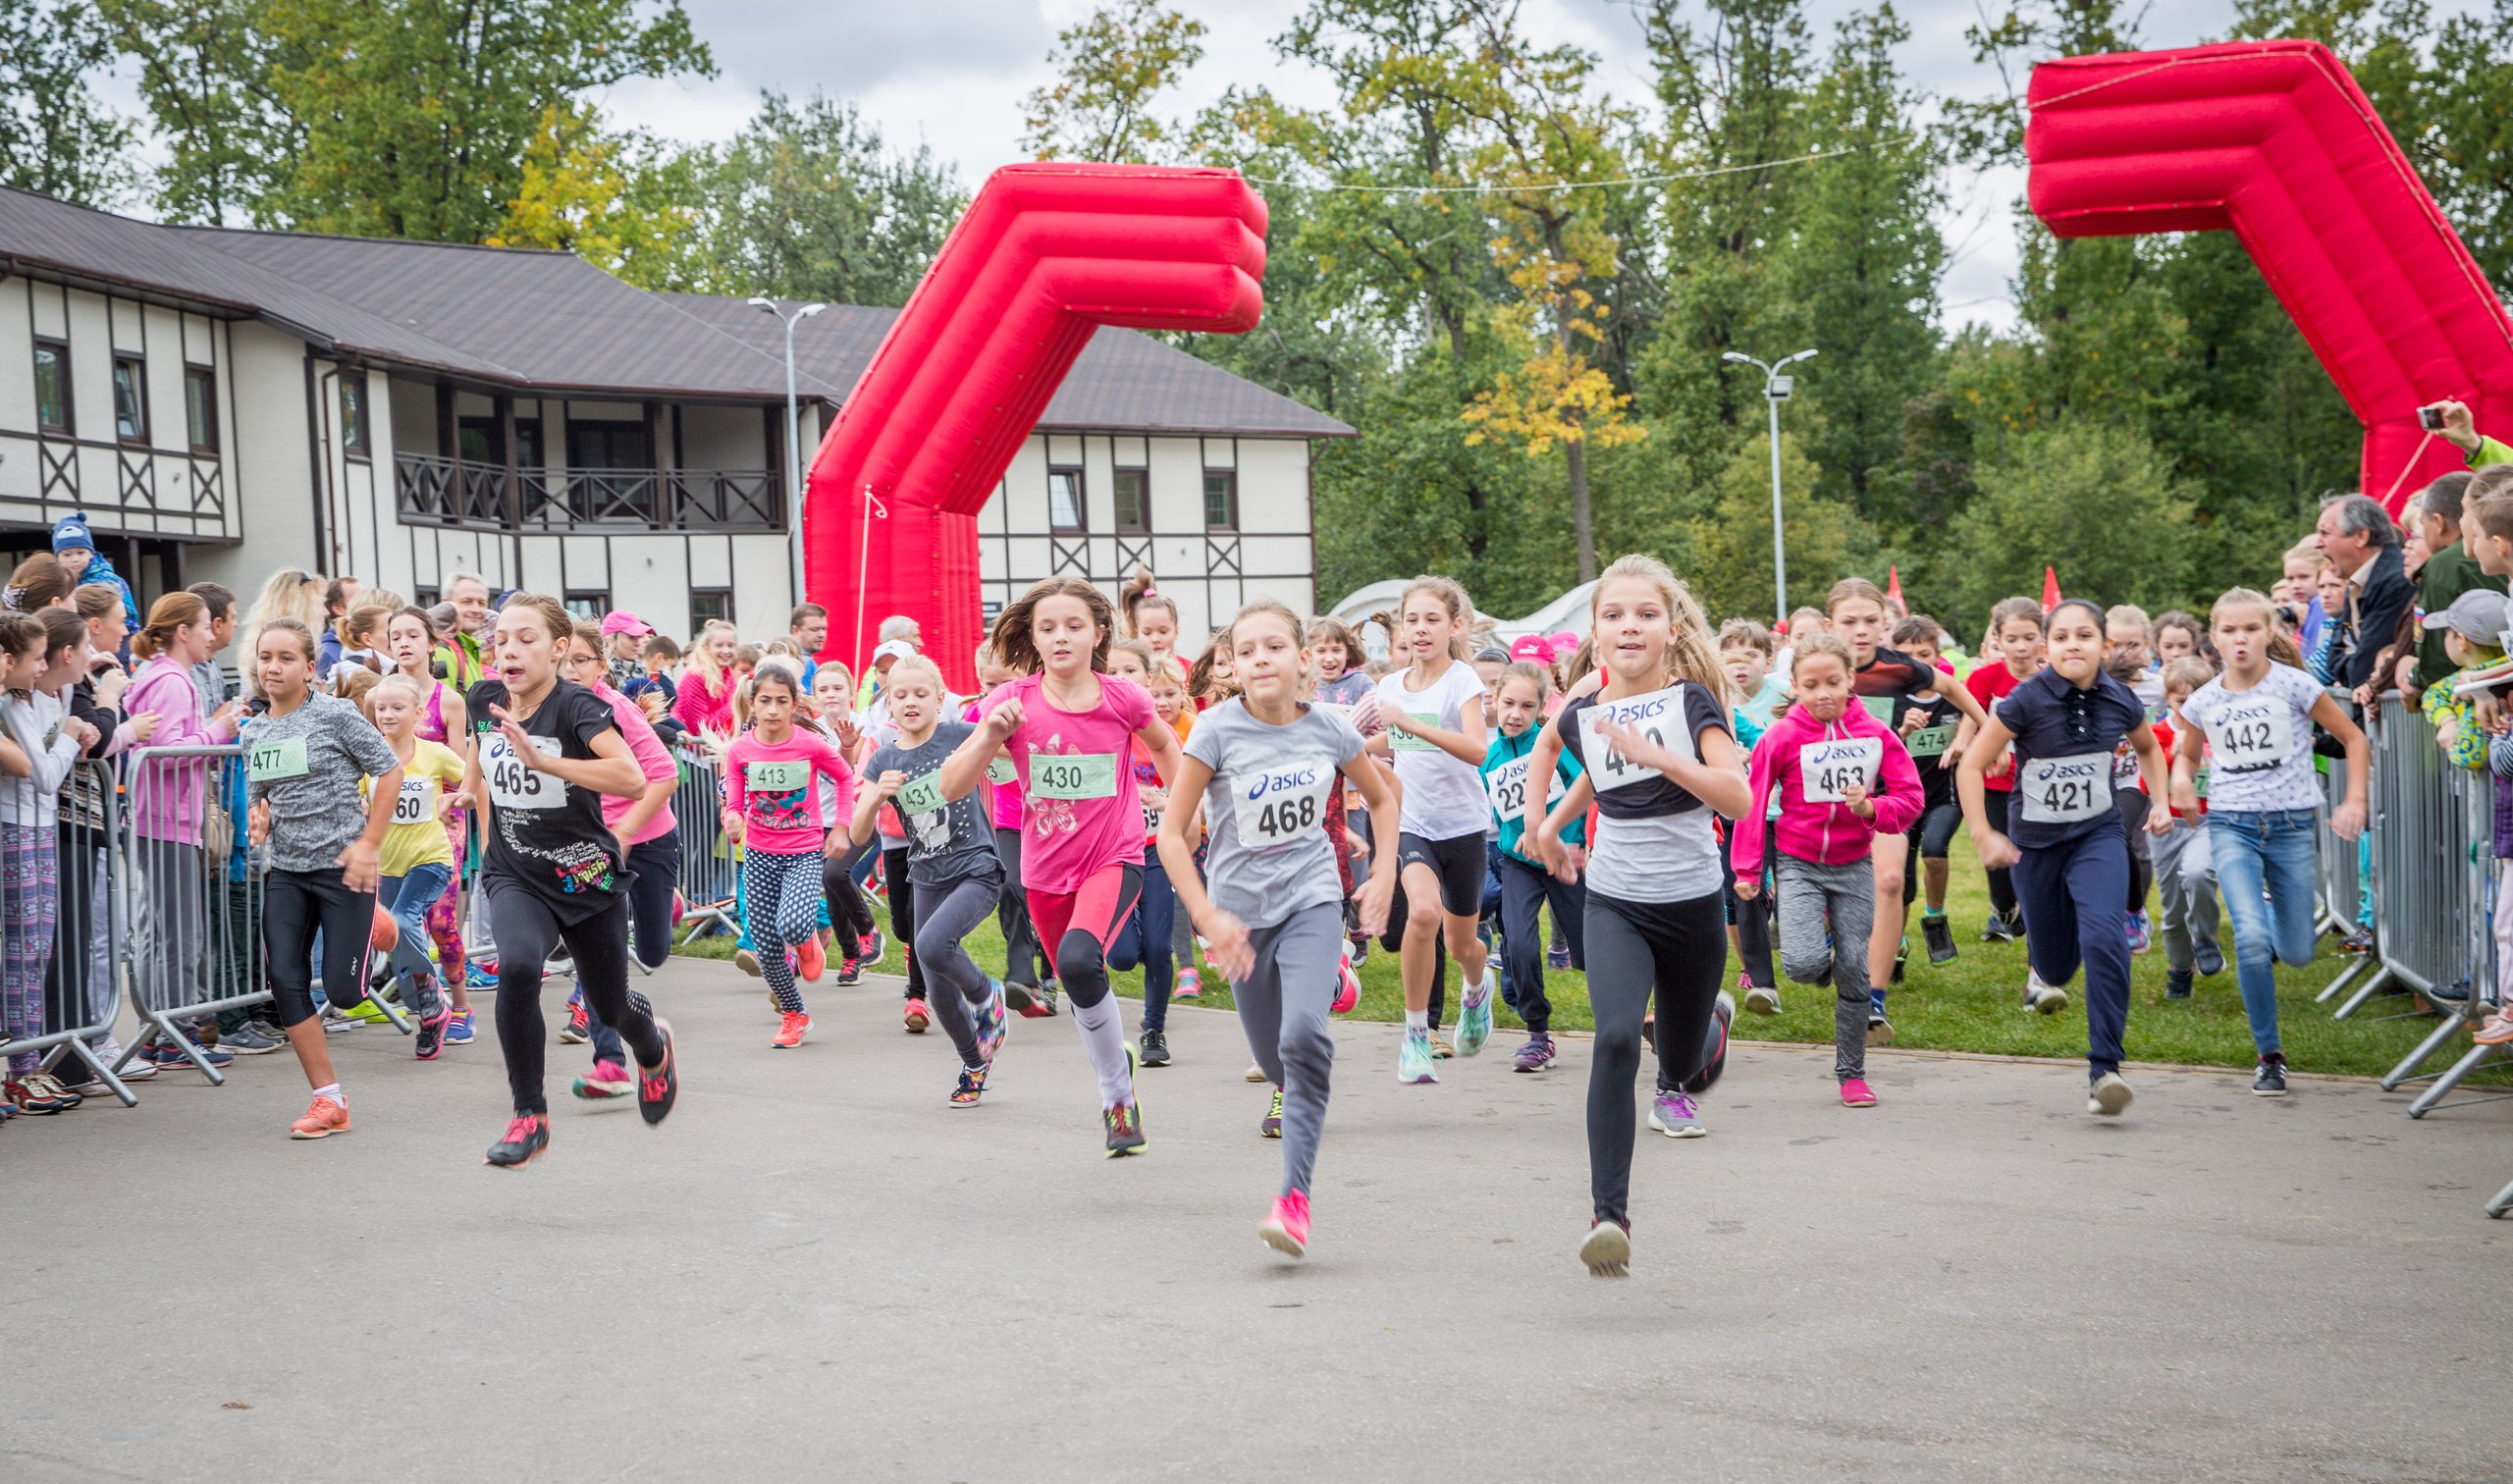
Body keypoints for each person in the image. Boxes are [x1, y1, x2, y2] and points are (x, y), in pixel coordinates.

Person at [1523, 556, 1747, 1277]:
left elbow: (1737, 798)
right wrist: (1545, 824)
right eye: (1614, 615)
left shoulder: (1692, 703)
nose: (1629, 626)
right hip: (1616, 900)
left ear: (1670, 630)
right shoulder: (1585, 710)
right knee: (1616, 1038)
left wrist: (1659, 755)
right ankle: (1608, 1218)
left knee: (1679, 1064)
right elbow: (1586, 767)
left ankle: (1709, 1028)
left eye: (1646, 615)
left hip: (1692, 906)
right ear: (1595, 632)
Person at [1161, 601, 1398, 1259]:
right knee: (1274, 1064)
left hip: (1310, 899)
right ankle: (1332, 985)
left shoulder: (1329, 727)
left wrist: (1383, 873)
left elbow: (1382, 798)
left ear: (1303, 658)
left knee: (1302, 1042)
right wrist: (1206, 914)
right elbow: (1173, 836)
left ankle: (1293, 1199)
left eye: (1274, 646)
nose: (1261, 659)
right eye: (1247, 651)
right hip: (1238, 917)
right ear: (1233, 666)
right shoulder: (1215, 730)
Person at [939, 576, 1185, 1157]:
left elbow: (1166, 746)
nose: (1061, 637)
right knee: (1078, 980)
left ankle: (1116, 1098)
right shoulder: (1012, 702)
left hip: (1114, 855)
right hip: (1046, 871)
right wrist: (988, 737)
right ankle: (1117, 1060)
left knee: (1077, 958)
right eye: (1047, 628)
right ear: (1032, 638)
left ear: (1098, 633)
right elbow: (951, 786)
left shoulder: (1123, 698)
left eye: (1074, 626)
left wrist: (1182, 813)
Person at [463, 594, 679, 1167]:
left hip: (584, 877)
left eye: (526, 639)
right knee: (516, 967)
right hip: (515, 872)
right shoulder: (484, 698)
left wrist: (546, 762)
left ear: (559, 648)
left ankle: (653, 1051)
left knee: (610, 1007)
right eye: (501, 640)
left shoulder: (577, 706)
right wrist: (466, 788)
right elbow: (481, 745)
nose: (510, 650)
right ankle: (528, 1116)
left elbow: (632, 778)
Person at [1958, 600, 2173, 1116]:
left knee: (2105, 938)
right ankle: (2052, 962)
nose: (2072, 645)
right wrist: (1983, 833)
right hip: (2035, 846)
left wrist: (2161, 801)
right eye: (2060, 637)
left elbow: (2148, 748)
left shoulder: (2120, 697)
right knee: (2054, 965)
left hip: (2097, 835)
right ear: (2046, 647)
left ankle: (2106, 1069)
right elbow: (1971, 765)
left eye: (2084, 635)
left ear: (2105, 644)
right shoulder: (2024, 700)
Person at [2170, 588, 2370, 1096]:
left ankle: (2269, 917)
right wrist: (2180, 780)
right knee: (2253, 942)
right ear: (2214, 639)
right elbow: (2187, 755)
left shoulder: (2296, 685)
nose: (2240, 639)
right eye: (2230, 630)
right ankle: (2269, 1055)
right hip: (2231, 826)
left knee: (2298, 952)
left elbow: (2353, 738)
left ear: (2270, 633)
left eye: (2251, 629)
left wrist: (2355, 800)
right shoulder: (2205, 699)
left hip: (2291, 827)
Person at [1733, 629, 1923, 1109]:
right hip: (1798, 864)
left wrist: (1873, 809)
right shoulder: (1781, 737)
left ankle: (1852, 1073)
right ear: (1795, 685)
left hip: (1854, 865)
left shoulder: (1875, 734)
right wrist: (1748, 869)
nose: (1823, 694)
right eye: (1812, 684)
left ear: (1851, 680)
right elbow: (1753, 801)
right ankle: (1826, 959)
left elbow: (1911, 797)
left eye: (1833, 683)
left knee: (1855, 969)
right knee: (1802, 965)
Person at [238, 617, 404, 1139]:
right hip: (288, 871)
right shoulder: (253, 731)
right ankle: (328, 1100)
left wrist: (369, 844)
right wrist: (259, 818)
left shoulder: (336, 716)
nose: (273, 667)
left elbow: (390, 770)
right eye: (266, 657)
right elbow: (261, 796)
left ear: (310, 668)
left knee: (345, 993)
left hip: (342, 867)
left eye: (286, 658)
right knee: (285, 982)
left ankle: (376, 921)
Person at [1826, 577, 1990, 1042]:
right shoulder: (1818, 666)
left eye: (1870, 621)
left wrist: (1988, 734)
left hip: (1886, 798)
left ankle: (1873, 1000)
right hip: (1828, 803)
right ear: (1829, 624)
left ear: (1884, 623)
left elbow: (1953, 688)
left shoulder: (1898, 667)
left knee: (1891, 882)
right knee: (1833, 897)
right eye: (1849, 621)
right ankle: (1829, 951)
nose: (1860, 630)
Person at [851, 656, 1008, 1105]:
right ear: (888, 704)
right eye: (900, 695)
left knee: (932, 945)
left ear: (940, 699)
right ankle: (974, 1064)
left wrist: (1004, 736)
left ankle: (987, 995)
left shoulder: (960, 735)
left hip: (976, 868)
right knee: (937, 990)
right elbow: (858, 834)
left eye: (921, 694)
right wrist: (876, 797)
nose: (911, 702)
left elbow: (1011, 752)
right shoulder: (884, 758)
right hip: (927, 876)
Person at [1366, 576, 1495, 1082]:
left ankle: (1476, 989)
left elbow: (1477, 749)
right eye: (1412, 620)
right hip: (1412, 822)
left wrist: (1414, 724)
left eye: (1432, 620)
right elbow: (1394, 743)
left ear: (1455, 626)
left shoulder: (1462, 680)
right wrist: (1350, 750)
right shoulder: (1390, 686)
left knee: (1463, 945)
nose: (1420, 629)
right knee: (1422, 913)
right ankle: (1416, 1035)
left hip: (1463, 826)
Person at [556, 622, 683, 1091]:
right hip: (592, 849)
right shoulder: (545, 712)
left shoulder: (617, 710)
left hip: (647, 840)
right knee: (597, 954)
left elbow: (665, 775)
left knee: (652, 952)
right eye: (562, 661)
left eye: (581, 660)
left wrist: (624, 833)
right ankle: (609, 1061)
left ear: (602, 665)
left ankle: (669, 903)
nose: (570, 670)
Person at [722, 662, 854, 1049]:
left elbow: (844, 777)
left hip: (803, 853)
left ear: (795, 705)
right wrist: (732, 817)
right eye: (765, 701)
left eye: (782, 701)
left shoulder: (809, 744)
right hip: (759, 855)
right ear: (752, 704)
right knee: (765, 949)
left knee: (793, 925)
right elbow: (734, 795)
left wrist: (841, 827)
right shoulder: (741, 749)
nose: (773, 710)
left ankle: (808, 942)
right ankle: (795, 1014)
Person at [1479, 660, 1583, 1074]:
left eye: (1526, 706)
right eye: (1508, 703)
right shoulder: (1490, 759)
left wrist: (1576, 840)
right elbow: (1502, 816)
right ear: (1494, 700)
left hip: (1566, 857)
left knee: (1591, 950)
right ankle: (1538, 1034)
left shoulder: (1553, 744)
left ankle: (1641, 1018)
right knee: (1519, 946)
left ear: (1542, 707)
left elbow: (1586, 788)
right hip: (1518, 864)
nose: (1515, 714)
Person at [1, 611, 84, 1115]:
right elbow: (44, 775)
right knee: (21, 951)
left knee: (38, 950)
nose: (40, 667)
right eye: (34, 658)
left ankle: (28, 1066)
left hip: (40, 829)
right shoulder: (11, 704)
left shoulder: (43, 696)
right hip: (15, 829)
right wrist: (72, 735)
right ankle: (20, 1067)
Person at [363, 673, 464, 1059]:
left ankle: (430, 996)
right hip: (389, 865)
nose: (387, 714)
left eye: (397, 707)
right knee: (393, 937)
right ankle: (430, 1014)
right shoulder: (369, 758)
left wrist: (456, 800)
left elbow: (472, 779)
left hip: (431, 859)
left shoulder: (434, 753)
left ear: (418, 712)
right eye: (381, 708)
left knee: (405, 921)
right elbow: (357, 794)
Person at [1103, 642, 1183, 1065]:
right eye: (1112, 671)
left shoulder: (1159, 733)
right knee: (1121, 956)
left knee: (1157, 946)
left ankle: (1154, 1028)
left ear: (1147, 679)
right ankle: (1131, 924)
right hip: (1112, 856)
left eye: (1130, 670)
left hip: (1155, 853)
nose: (1120, 678)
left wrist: (1166, 802)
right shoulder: (1096, 730)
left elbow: (1187, 792)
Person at [1958, 597, 2044, 943]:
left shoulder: (2052, 680)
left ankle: (2037, 923)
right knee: (1997, 858)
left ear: (2042, 638)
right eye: (2012, 639)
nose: (2021, 647)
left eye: (2029, 638)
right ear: (1997, 639)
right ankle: (2005, 909)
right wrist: (1962, 743)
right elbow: (1970, 718)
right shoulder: (1984, 677)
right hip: (1995, 782)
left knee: (2034, 858)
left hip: (2038, 785)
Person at [1887, 615, 1968, 966]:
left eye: (1925, 654)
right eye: (1908, 656)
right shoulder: (1890, 699)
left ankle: (1935, 917)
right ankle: (1896, 943)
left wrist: (1962, 741)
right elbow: (1877, 748)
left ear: (1937, 655)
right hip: (1902, 801)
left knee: (1934, 851)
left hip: (1942, 796)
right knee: (1900, 881)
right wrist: (1903, 732)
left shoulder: (1950, 693)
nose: (1917, 663)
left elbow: (1975, 710)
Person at [1717, 619, 1786, 1012]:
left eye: (1750, 655)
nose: (1740, 665)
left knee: (1789, 893)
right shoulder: (1713, 697)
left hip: (1783, 811)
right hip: (1736, 814)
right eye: (1730, 657)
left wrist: (1758, 757)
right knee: (1743, 890)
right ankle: (1761, 983)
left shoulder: (1784, 695)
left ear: (1768, 661)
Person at [2150, 656, 2225, 1000]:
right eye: (2182, 701)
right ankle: (2180, 969)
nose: (2191, 709)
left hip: (2209, 822)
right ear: (2168, 698)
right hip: (2168, 826)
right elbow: (2145, 783)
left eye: (2199, 700)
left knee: (2198, 874)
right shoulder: (2157, 733)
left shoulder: (2219, 730)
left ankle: (2205, 937)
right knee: (2173, 912)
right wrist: (2171, 755)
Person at [2317, 493, 2415, 704]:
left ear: (2361, 536)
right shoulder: (2358, 580)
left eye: (2325, 533)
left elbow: (2363, 670)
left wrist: (2351, 664)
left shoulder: (2395, 582)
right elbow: (2333, 659)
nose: (2318, 543)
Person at [48, 511, 138, 634]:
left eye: (81, 553)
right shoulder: (56, 584)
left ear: (91, 553)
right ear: (57, 557)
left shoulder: (110, 581)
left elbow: (130, 619)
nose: (75, 559)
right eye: (67, 555)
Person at [672, 618, 740, 739]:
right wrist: (735, 705)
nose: (726, 651)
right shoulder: (695, 676)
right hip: (691, 747)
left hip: (716, 745)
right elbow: (700, 727)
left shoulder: (728, 674)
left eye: (730, 645)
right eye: (719, 645)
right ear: (706, 647)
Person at [433, 573, 492, 690]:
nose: (476, 609)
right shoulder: (441, 651)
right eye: (467, 602)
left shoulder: (469, 648)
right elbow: (440, 700)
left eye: (481, 603)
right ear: (447, 605)